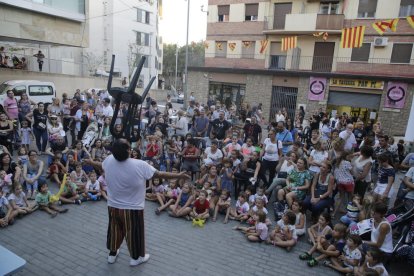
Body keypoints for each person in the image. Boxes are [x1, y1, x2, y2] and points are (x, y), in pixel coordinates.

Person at [102, 139, 189, 266]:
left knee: (114, 230)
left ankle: (112, 254)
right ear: (128, 151)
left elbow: (101, 165)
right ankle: (136, 258)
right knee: (134, 234)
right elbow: (159, 174)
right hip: (133, 208)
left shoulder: (108, 160)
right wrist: (178, 176)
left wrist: (90, 162)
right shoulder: (140, 165)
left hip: (113, 206)